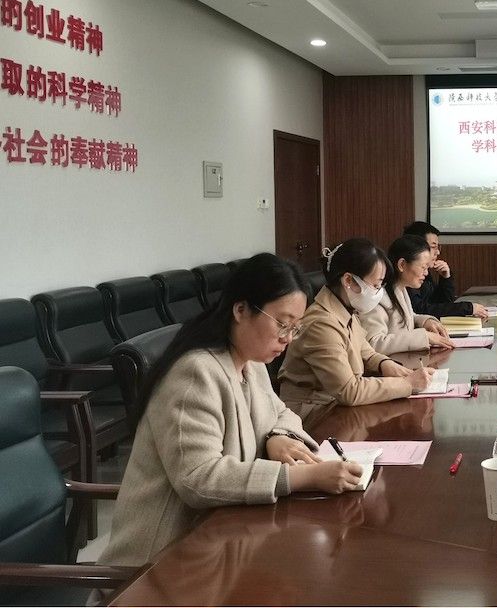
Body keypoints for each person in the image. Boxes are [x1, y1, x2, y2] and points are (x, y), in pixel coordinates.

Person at [98, 253, 365, 568]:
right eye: (282, 324)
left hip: (221, 543)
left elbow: (282, 412)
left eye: (295, 328)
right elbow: (199, 478)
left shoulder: (251, 360)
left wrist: (278, 437)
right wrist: (303, 477)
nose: (288, 339)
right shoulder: (196, 373)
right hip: (162, 563)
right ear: (241, 310)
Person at [278, 239, 434, 422]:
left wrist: (385, 364)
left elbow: (365, 350)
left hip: (335, 406)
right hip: (312, 415)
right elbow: (349, 391)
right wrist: (406, 384)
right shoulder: (321, 323)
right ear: (348, 280)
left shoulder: (345, 308)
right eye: (375, 285)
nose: (378, 292)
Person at [361, 235, 455, 355]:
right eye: (423, 267)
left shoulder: (399, 289)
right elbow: (374, 343)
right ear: (402, 265)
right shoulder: (377, 296)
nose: (426, 273)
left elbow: (406, 317)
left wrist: (425, 321)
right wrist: (423, 336)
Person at [403, 220, 488, 319]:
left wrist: (445, 278)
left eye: (438, 247)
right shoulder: (407, 274)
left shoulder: (425, 272)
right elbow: (420, 310)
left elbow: (442, 304)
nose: (438, 252)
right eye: (433, 247)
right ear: (416, 247)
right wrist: (467, 308)